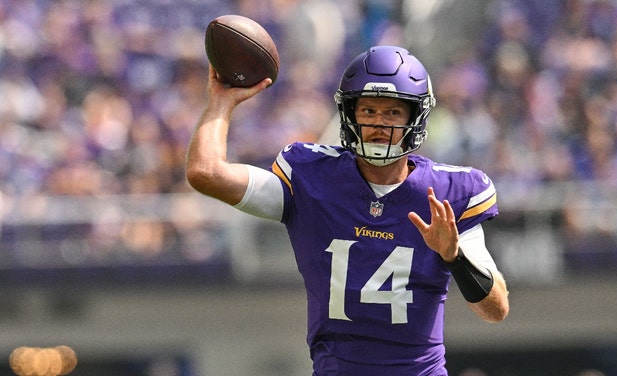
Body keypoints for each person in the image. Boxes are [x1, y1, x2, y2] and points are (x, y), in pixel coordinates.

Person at [186, 45, 509, 375]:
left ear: (416, 117)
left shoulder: (448, 195)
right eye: (368, 111)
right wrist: (221, 102)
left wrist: (454, 257)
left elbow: (495, 309)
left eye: (393, 113)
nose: (379, 124)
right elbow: (206, 173)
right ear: (349, 113)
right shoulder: (312, 178)